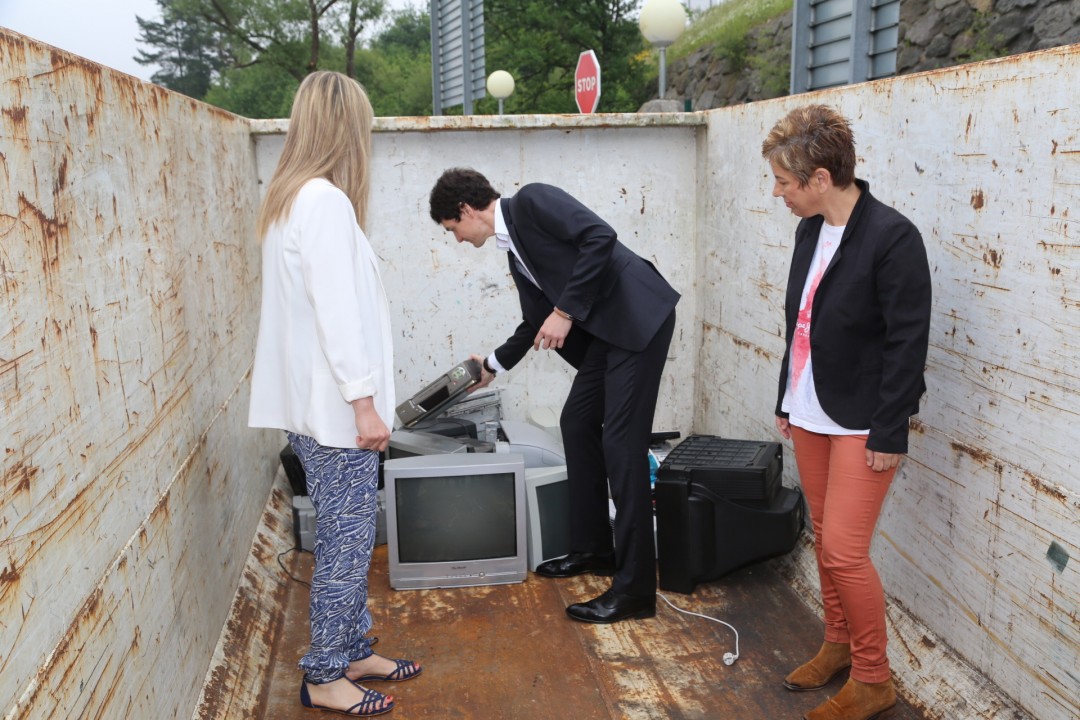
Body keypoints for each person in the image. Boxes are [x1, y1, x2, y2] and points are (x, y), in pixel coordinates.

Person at [428, 169, 679, 624]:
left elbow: (600, 237)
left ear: (465, 210)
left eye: (452, 229)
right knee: (577, 423)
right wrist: (491, 366)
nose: (458, 240)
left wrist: (565, 310)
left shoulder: (532, 201)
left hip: (639, 319)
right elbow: (536, 321)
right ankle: (594, 549)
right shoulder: (514, 251)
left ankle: (636, 591)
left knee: (621, 445)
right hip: (608, 335)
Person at [248, 71, 421, 718]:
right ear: (346, 128)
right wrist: (364, 404)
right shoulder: (323, 201)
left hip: (316, 410)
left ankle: (350, 651)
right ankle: (324, 675)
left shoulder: (289, 198)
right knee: (346, 548)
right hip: (338, 414)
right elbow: (338, 315)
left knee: (348, 535)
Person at [761, 105, 932, 720]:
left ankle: (873, 678)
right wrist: (787, 396)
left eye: (784, 181)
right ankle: (837, 642)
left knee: (842, 551)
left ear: (820, 178)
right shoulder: (810, 230)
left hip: (863, 420)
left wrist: (891, 430)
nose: (777, 193)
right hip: (810, 409)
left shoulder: (892, 237)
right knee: (824, 537)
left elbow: (908, 343)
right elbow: (800, 320)